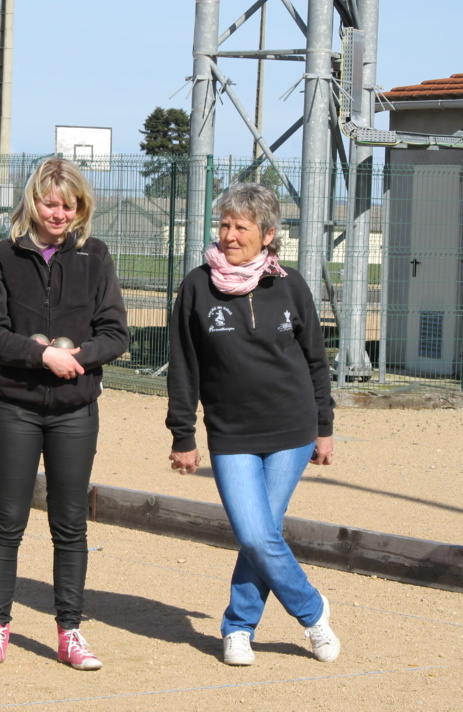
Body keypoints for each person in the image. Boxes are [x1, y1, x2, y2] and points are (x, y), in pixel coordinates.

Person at [165, 182, 341, 667]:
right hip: (232, 433)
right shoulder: (198, 285)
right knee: (254, 532)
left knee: (262, 532)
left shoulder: (290, 284)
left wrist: (324, 427)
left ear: (267, 235)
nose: (228, 234)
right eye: (223, 224)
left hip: (292, 428)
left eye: (240, 226)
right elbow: (184, 366)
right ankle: (312, 611)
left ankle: (238, 628)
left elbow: (315, 362)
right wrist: (183, 434)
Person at [0, 158, 130, 672]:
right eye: (49, 202)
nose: (58, 213)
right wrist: (41, 355)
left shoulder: (95, 257)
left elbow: (115, 333)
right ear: (31, 202)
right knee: (7, 520)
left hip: (74, 410)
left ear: (81, 206)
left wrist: (76, 359)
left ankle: (70, 631)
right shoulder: (0, 257)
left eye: (69, 204)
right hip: (14, 407)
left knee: (70, 523)